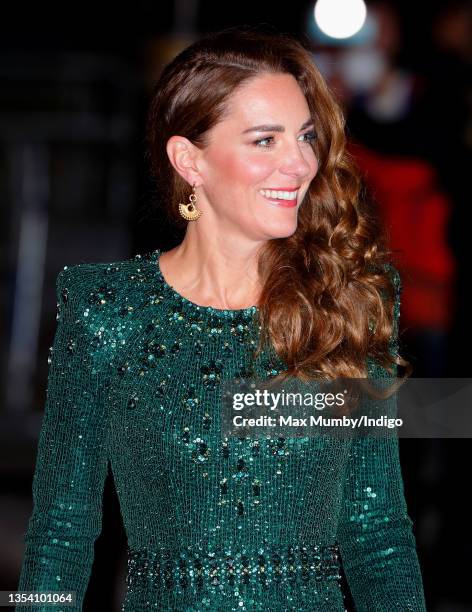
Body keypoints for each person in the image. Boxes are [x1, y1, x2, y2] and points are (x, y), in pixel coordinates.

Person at [16, 25, 427, 611]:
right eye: (265, 140)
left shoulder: (351, 299)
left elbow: (377, 531)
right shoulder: (105, 311)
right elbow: (62, 529)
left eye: (305, 137)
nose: (301, 164)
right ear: (190, 160)